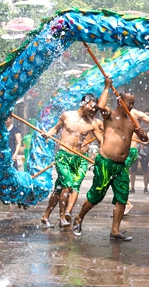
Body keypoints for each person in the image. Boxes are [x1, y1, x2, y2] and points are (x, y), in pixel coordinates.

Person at [72, 89, 148, 240]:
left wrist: (142, 134)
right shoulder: (110, 115)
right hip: (105, 162)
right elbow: (100, 106)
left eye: (133, 102)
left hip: (121, 165)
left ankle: (115, 230)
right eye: (129, 102)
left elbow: (145, 139)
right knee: (97, 195)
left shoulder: (132, 120)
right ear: (120, 101)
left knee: (122, 196)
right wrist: (107, 87)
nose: (131, 105)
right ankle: (79, 217)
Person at [40, 87, 105, 229]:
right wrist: (48, 134)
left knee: (64, 188)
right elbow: (55, 129)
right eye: (92, 105)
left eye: (95, 107)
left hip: (80, 159)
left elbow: (102, 141)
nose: (94, 109)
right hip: (63, 156)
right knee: (67, 184)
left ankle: (47, 216)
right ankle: (62, 217)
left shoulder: (92, 123)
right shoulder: (67, 116)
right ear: (83, 103)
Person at [121, 108, 149, 215]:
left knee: (120, 176)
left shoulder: (134, 113)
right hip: (121, 150)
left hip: (131, 151)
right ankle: (123, 203)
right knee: (118, 176)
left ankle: (125, 203)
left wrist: (147, 135)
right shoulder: (118, 113)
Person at [129, 110, 149, 195]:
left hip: (144, 150)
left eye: (147, 115)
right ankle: (132, 187)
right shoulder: (137, 123)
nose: (146, 117)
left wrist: (148, 135)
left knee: (145, 170)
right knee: (132, 170)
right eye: (145, 115)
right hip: (134, 148)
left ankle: (145, 188)